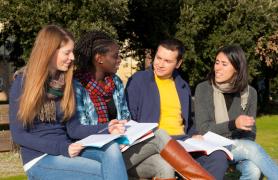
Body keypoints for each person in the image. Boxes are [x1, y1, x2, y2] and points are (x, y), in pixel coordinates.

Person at [73, 31, 214, 180]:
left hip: (122, 148)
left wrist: (124, 135)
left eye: (167, 60)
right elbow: (77, 130)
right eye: (115, 56)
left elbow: (127, 120)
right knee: (159, 134)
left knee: (164, 166)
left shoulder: (116, 83)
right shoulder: (77, 86)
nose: (120, 60)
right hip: (97, 153)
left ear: (178, 64)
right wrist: (108, 131)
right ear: (99, 59)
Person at [9, 25, 128, 180]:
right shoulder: (23, 82)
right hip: (39, 158)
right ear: (50, 52)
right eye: (67, 52)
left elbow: (74, 129)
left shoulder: (66, 83)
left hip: (68, 148)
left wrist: (107, 127)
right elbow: (19, 135)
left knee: (112, 149)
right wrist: (62, 148)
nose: (72, 57)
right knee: (104, 172)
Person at [126, 39, 228, 180]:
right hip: (155, 142)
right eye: (158, 58)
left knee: (219, 156)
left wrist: (195, 134)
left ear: (178, 64)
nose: (160, 64)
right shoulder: (139, 80)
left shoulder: (182, 85)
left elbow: (189, 120)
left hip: (183, 141)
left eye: (167, 61)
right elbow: (130, 119)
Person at [194, 44, 278, 180]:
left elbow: (251, 132)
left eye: (224, 64)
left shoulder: (250, 93)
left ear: (237, 69)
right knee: (252, 150)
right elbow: (203, 129)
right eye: (217, 62)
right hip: (212, 146)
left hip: (239, 147)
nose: (218, 68)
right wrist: (234, 124)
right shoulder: (203, 89)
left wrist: (241, 144)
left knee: (253, 169)